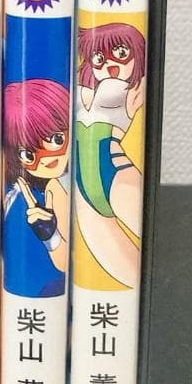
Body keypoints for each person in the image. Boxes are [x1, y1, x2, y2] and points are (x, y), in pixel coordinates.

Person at [75, 21, 146, 287]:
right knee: (124, 274)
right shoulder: (83, 87)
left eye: (121, 54)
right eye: (99, 58)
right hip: (82, 189)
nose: (109, 65)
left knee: (139, 270)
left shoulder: (134, 88)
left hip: (115, 172)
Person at [3, 79, 70, 297]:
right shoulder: (17, 192)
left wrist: (50, 234)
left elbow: (63, 262)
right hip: (24, 290)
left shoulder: (58, 187)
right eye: (29, 154)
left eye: (57, 139)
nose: (48, 158)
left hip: (55, 293)